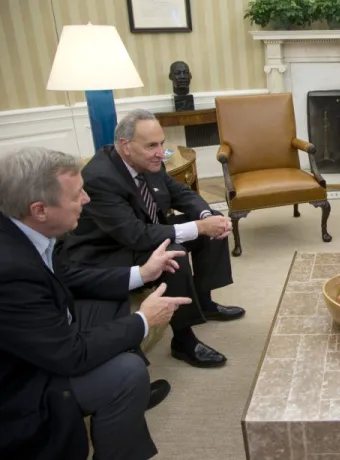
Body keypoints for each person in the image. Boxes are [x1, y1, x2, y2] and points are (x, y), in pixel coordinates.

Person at [0, 147, 191, 460]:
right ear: (40, 209)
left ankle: (126, 409)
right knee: (127, 372)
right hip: (20, 384)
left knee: (111, 304)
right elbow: (68, 355)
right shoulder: (9, 271)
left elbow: (70, 278)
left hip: (42, 331)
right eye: (77, 195)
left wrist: (141, 274)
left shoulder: (27, 228)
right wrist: (143, 320)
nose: (87, 200)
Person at [57, 109, 244, 368]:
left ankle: (205, 302)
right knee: (175, 252)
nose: (160, 152)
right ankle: (183, 339)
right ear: (125, 146)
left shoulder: (148, 161)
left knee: (213, 228)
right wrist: (199, 227)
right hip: (111, 249)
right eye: (152, 145)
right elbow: (134, 235)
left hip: (146, 232)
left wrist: (206, 215)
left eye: (162, 144)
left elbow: (179, 192)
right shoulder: (100, 178)